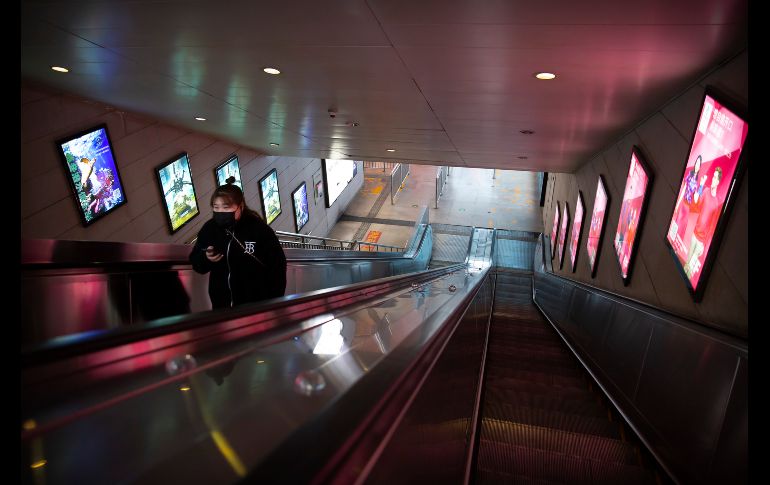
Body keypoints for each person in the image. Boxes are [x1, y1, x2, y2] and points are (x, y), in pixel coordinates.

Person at [190, 179, 287, 309]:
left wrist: (273, 301)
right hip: (222, 305)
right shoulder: (210, 229)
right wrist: (206, 258)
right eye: (216, 207)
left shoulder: (259, 229)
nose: (220, 212)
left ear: (240, 206)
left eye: (226, 207)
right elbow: (197, 264)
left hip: (256, 304)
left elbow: (278, 266)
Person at [683, 167, 723, 279]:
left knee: (690, 270)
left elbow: (713, 225)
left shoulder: (717, 202)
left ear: (718, 181)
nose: (713, 180)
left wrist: (704, 244)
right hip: (694, 235)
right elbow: (696, 207)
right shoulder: (705, 192)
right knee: (686, 265)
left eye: (715, 178)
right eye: (713, 177)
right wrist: (699, 189)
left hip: (701, 242)